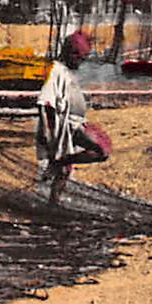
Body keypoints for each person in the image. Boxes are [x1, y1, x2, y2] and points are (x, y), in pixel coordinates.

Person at [34, 31, 112, 206]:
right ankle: (61, 160)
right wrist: (49, 137)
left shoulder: (65, 71)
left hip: (74, 124)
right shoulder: (55, 71)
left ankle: (53, 204)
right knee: (101, 150)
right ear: (71, 54)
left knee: (64, 172)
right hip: (65, 127)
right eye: (80, 57)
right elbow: (45, 104)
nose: (82, 62)